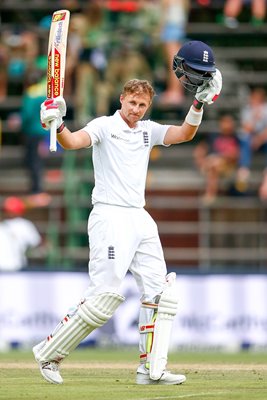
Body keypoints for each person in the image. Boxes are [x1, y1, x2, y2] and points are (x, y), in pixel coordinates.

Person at [33, 40, 222, 385]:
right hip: (109, 216)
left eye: (142, 105)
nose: (136, 109)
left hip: (139, 216)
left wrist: (198, 103)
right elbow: (73, 143)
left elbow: (185, 133)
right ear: (122, 99)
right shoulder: (105, 126)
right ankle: (48, 355)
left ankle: (151, 370)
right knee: (104, 296)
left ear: (148, 106)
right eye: (132, 102)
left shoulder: (148, 132)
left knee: (161, 294)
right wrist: (56, 123)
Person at [194, 114, 240, 203]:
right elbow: (202, 148)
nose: (226, 125)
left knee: (215, 164)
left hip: (227, 167)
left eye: (229, 122)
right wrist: (200, 156)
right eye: (224, 122)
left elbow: (235, 155)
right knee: (213, 165)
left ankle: (210, 194)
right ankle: (210, 194)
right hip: (211, 164)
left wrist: (220, 157)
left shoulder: (236, 137)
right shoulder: (214, 136)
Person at [235, 87, 267, 200]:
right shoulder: (247, 110)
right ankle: (244, 169)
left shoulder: (265, 109)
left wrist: (259, 139)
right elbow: (246, 129)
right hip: (251, 139)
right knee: (245, 139)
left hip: (262, 140)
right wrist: (254, 117)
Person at [0, 196, 42, 272]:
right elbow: (36, 243)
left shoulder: (23, 225)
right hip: (16, 267)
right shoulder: (25, 225)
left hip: (9, 267)